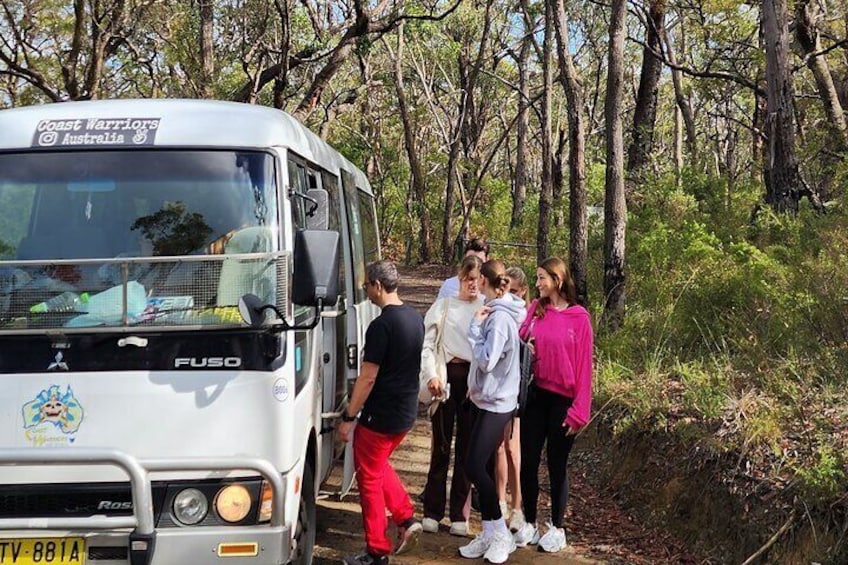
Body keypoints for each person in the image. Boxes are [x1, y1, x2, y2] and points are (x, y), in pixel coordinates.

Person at [338, 261, 425, 565]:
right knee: (377, 465)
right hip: (405, 412)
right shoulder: (415, 318)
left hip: (381, 415)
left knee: (369, 478)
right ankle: (406, 518)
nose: (366, 292)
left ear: (376, 285)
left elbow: (368, 377)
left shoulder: (381, 326)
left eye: (366, 286)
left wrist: (349, 416)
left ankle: (377, 550)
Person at [512, 257, 593, 554]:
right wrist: (527, 343)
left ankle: (557, 528)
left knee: (557, 465)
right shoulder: (536, 309)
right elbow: (521, 337)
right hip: (535, 396)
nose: (537, 284)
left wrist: (579, 412)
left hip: (563, 402)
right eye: (537, 278)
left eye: (542, 278)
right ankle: (530, 522)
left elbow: (585, 368)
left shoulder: (579, 317)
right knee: (529, 462)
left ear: (557, 280)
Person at [458, 260, 525, 564]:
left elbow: (487, 360)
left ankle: (500, 534)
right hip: (485, 399)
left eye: (478, 281)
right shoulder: (498, 313)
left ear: (486, 282)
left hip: (498, 402)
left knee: (474, 466)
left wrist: (474, 328)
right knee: (475, 465)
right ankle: (489, 530)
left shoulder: (498, 319)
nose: (474, 286)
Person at [420, 255, 483, 537]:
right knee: (441, 447)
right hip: (445, 381)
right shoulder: (443, 307)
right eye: (468, 279)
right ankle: (432, 510)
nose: (472, 284)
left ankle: (460, 513)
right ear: (460, 279)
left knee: (467, 451)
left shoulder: (486, 309)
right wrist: (431, 375)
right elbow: (428, 345)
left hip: (472, 385)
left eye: (477, 280)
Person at [494, 266, 530, 532]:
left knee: (512, 448)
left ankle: (517, 507)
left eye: (516, 292)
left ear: (524, 291)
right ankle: (499, 500)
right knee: (498, 447)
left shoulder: (528, 316)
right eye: (508, 291)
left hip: (517, 392)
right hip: (496, 389)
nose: (512, 296)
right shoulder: (498, 311)